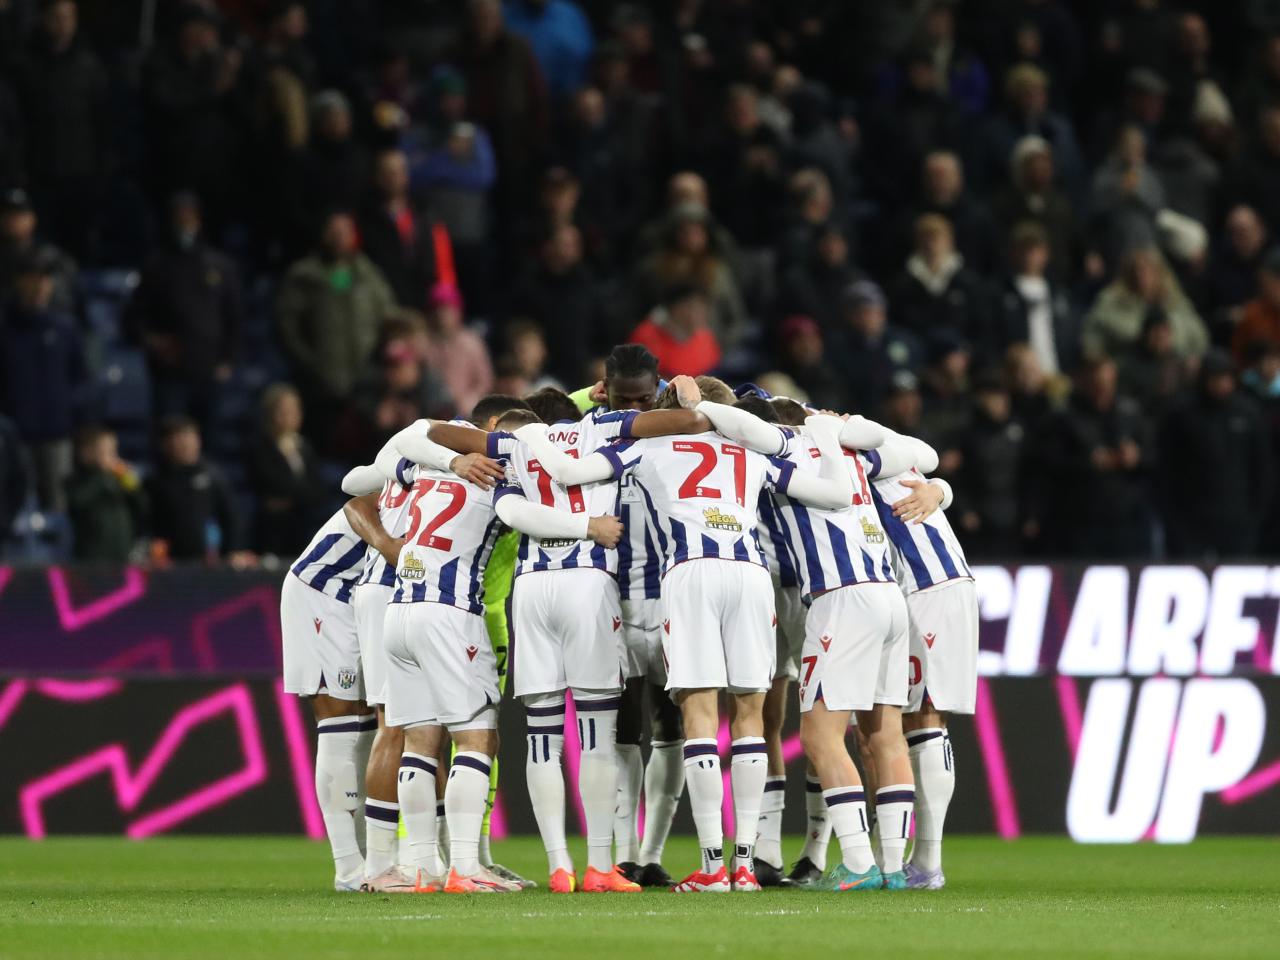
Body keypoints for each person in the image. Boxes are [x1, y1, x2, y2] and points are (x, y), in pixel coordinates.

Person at [518, 377, 856, 892]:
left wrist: (532, 437)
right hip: (749, 576)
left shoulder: (646, 446)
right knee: (748, 716)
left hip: (690, 573)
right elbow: (836, 494)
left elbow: (566, 473)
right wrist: (829, 440)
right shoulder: (753, 452)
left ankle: (713, 866)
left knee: (698, 714)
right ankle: (746, 865)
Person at [427, 389, 720, 892]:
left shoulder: (514, 444)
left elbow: (437, 436)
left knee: (542, 737)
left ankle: (558, 865)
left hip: (532, 589)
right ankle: (601, 865)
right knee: (596, 737)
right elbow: (685, 422)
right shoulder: (604, 430)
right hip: (588, 582)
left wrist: (461, 456)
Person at [381, 405, 621, 893]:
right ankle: (464, 867)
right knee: (476, 740)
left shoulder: (428, 465)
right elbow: (521, 511)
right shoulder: (502, 470)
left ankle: (420, 866)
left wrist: (452, 461)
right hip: (449, 612)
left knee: (419, 742)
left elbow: (397, 447)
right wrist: (589, 526)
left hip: (398, 610)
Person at [127, 192, 244, 440]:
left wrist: (228, 358)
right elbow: (134, 318)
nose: (185, 224)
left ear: (199, 221)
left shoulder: (219, 265)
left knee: (209, 439)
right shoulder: (156, 266)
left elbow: (234, 316)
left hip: (208, 369)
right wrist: (153, 342)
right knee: (169, 438)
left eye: (189, 217)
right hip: (170, 374)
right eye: (179, 218)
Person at [277, 211, 396, 443]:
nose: (340, 238)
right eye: (334, 232)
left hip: (365, 382)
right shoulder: (305, 275)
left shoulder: (367, 273)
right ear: (323, 235)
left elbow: (388, 315)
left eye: (345, 232)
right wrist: (310, 362)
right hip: (320, 385)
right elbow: (287, 326)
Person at [1158, 350, 1273, 559]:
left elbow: (1262, 467)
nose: (1222, 384)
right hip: (1191, 518)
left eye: (1226, 378)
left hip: (1237, 518)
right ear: (1204, 379)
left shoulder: (1248, 412)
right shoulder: (1181, 414)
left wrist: (1256, 515)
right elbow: (1168, 468)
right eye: (1216, 378)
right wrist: (1172, 517)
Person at [0, 248, 88, 511]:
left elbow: (81, 378)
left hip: (56, 434)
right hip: (13, 437)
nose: (40, 285)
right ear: (19, 281)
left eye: (46, 278)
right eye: (34, 277)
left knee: (58, 508)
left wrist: (68, 411)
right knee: (12, 508)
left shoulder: (65, 327)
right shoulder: (5, 327)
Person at [1083, 246, 1208, 361]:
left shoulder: (1175, 302)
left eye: (1148, 270)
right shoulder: (1112, 301)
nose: (1142, 276)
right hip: (1126, 365)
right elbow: (1093, 334)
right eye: (1137, 270)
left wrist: (1192, 357)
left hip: (1172, 366)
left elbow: (1199, 337)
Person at [145, 417, 240, 563]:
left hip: (208, 561)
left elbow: (230, 517)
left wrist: (233, 550)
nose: (184, 443)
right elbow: (148, 521)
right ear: (164, 444)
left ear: (198, 440)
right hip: (168, 562)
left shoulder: (212, 475)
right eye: (177, 438)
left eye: (188, 436)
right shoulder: (156, 480)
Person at [359, 148, 439, 311]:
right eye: (387, 173)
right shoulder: (364, 219)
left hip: (422, 304)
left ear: (406, 175)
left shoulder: (423, 215)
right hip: (379, 306)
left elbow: (441, 263)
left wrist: (442, 301)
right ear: (377, 177)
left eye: (398, 172)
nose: (393, 178)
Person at [248, 384, 322, 557]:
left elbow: (317, 489)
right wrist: (298, 496)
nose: (291, 416)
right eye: (284, 411)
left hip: (303, 522)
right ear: (271, 414)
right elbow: (273, 484)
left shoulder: (304, 446)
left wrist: (292, 499)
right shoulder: (261, 446)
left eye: (295, 410)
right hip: (273, 529)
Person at [65, 426, 146, 564]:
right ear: (86, 453)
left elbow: (143, 507)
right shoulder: (75, 480)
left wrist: (130, 482)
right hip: (92, 555)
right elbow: (77, 503)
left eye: (113, 451)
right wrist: (101, 475)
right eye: (105, 452)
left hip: (123, 553)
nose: (112, 457)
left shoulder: (118, 479)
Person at [419, 282, 494, 417]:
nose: (441, 315)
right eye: (436, 309)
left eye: (446, 309)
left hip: (466, 413)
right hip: (430, 411)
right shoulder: (423, 343)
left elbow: (485, 381)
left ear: (458, 311)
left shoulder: (472, 343)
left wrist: (469, 401)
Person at [628, 283, 720, 378]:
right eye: (694, 307)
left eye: (704, 307)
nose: (703, 313)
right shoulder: (646, 338)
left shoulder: (705, 337)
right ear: (676, 309)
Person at [1232, 246, 1280, 365]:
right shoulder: (1252, 313)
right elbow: (1238, 357)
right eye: (1264, 283)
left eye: (1271, 283)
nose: (1265, 288)